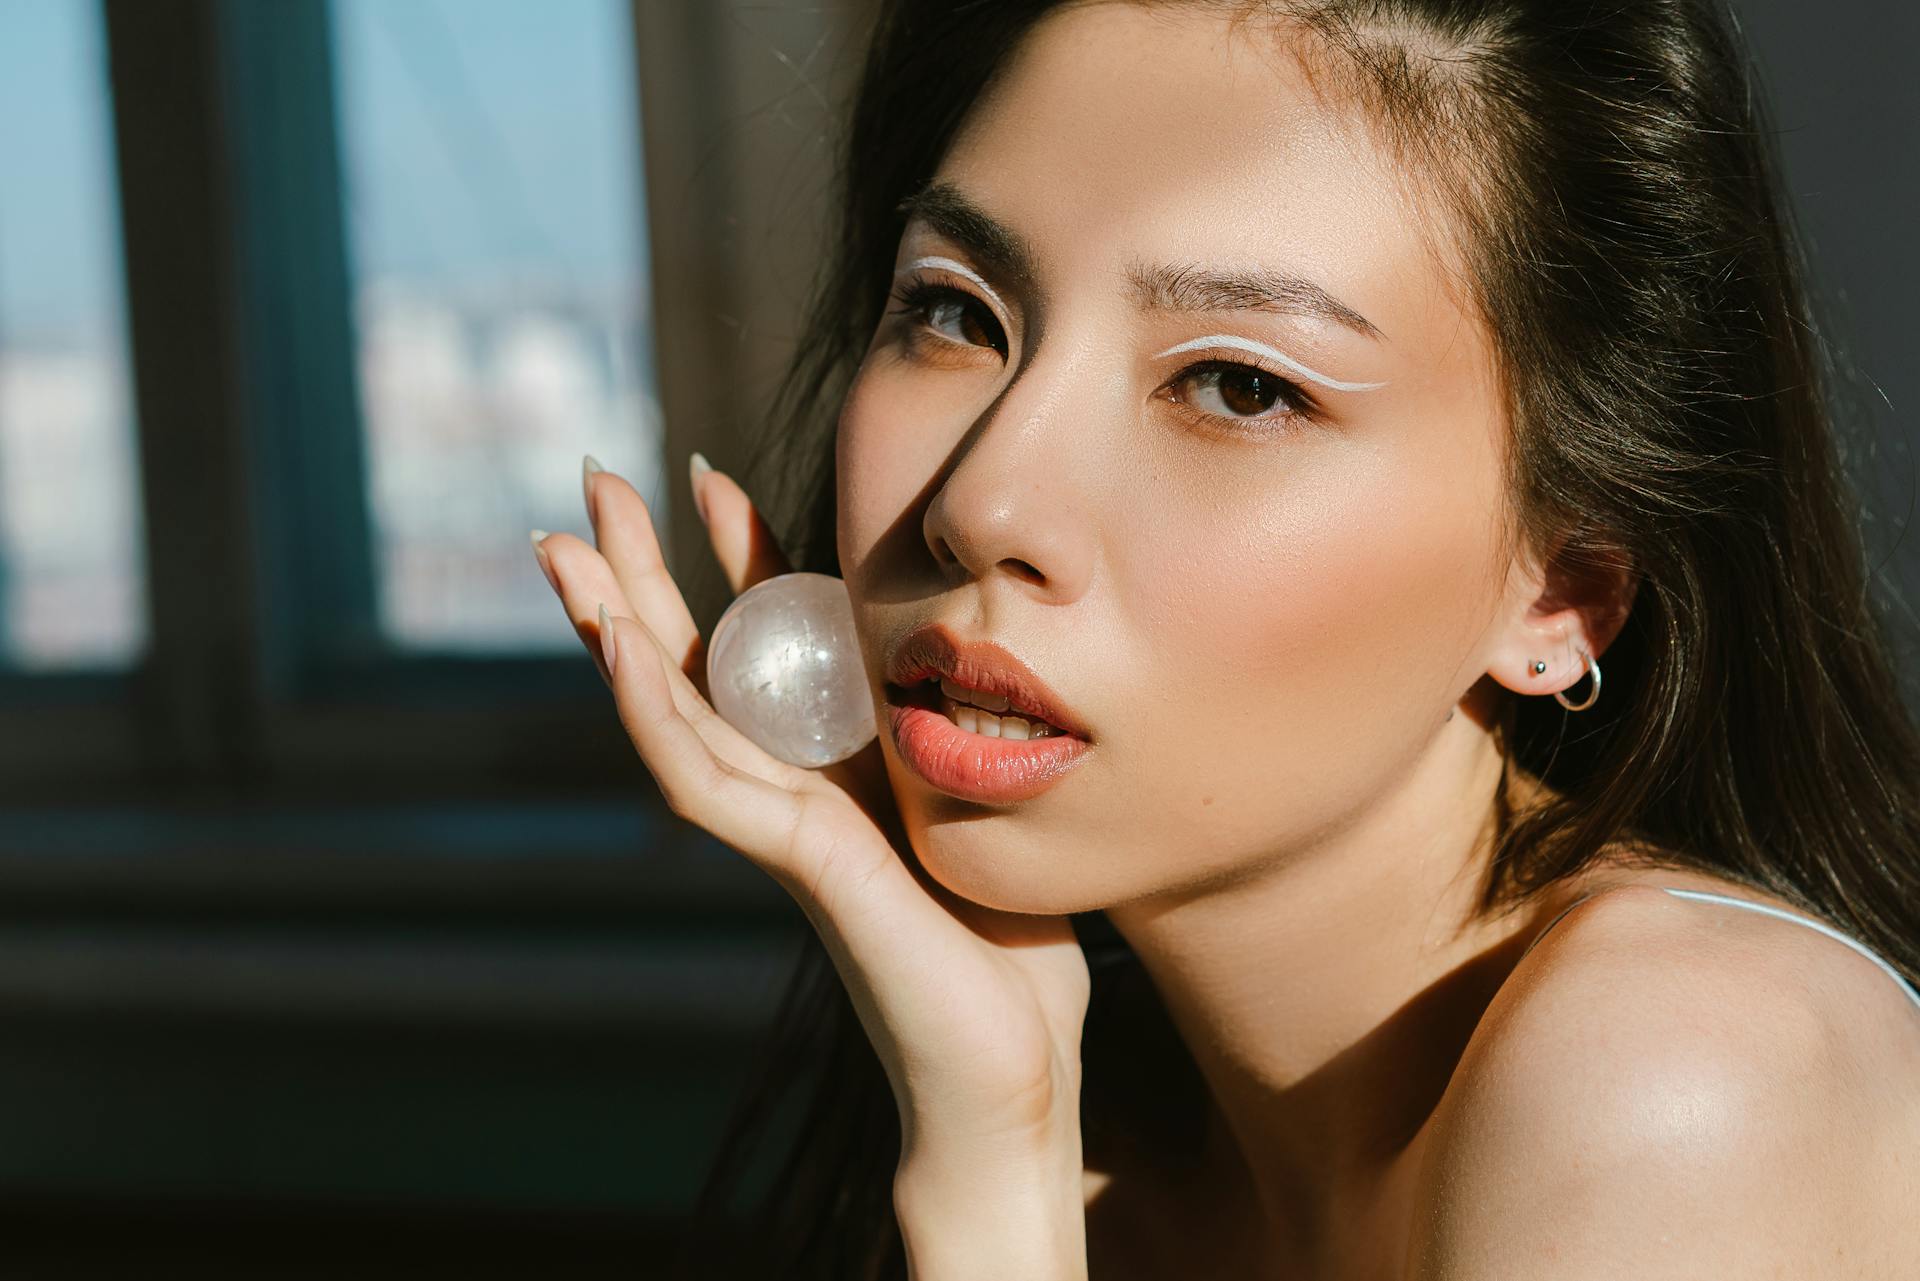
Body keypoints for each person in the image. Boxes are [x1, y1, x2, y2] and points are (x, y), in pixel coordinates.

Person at [529, 0, 1920, 1275]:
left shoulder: (1683, 1079)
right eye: (957, 310)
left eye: (1240, 386)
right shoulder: (1114, 1131)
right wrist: (996, 1134)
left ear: (1562, 588)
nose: (982, 502)